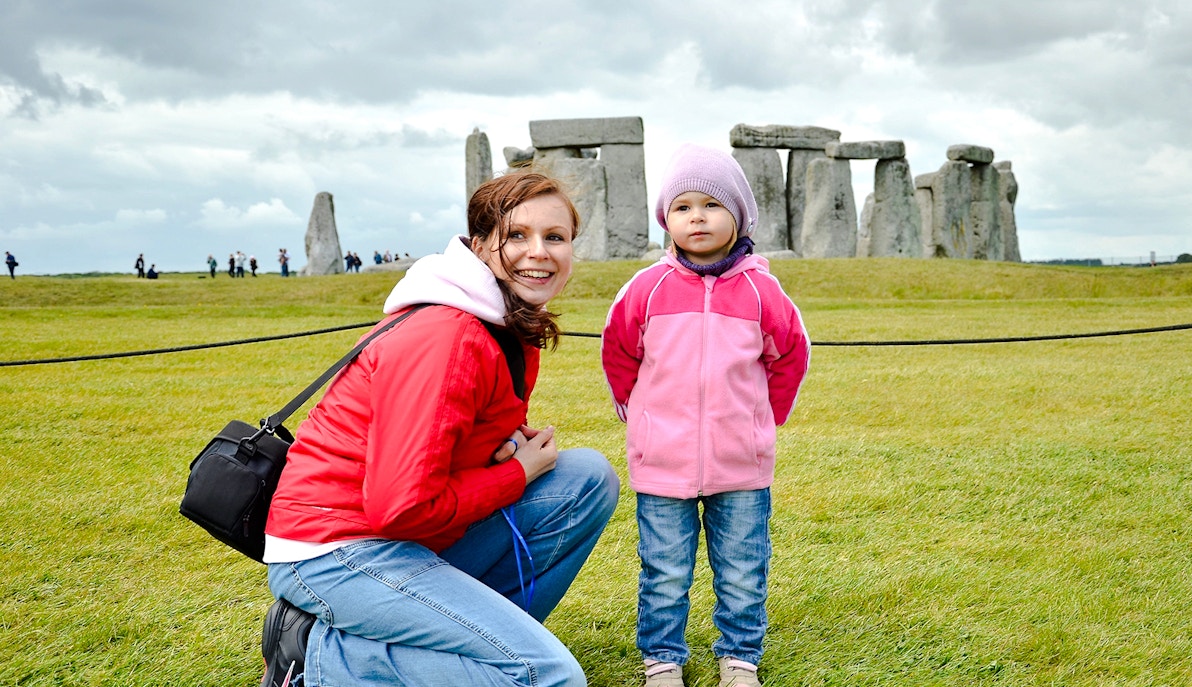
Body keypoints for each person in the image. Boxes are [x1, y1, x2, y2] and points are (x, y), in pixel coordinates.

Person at [259, 172, 620, 687]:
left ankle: (466, 652)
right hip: (334, 550)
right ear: (479, 247)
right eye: (516, 235)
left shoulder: (500, 321)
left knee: (586, 477)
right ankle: (315, 657)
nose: (538, 252)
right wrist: (516, 473)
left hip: (396, 538)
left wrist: (507, 446)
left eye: (555, 237)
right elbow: (399, 508)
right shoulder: (448, 337)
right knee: (547, 677)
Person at [601, 145, 810, 687]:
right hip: (662, 458)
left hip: (741, 459)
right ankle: (663, 660)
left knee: (743, 569)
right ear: (666, 219)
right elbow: (619, 351)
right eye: (684, 206)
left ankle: (739, 658)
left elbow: (789, 356)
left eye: (713, 204)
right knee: (664, 570)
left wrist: (767, 418)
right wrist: (635, 414)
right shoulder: (646, 290)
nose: (697, 216)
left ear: (739, 216)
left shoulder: (763, 291)